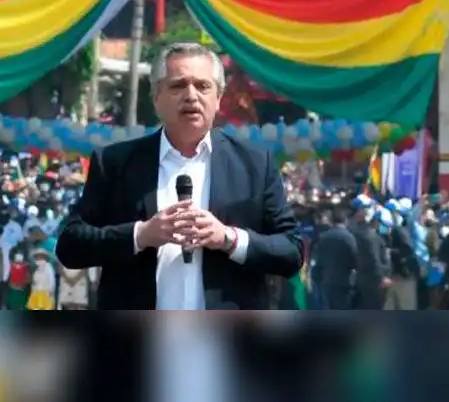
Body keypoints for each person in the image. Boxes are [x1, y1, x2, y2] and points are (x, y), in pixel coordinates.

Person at [56, 42, 302, 310]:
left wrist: (228, 239)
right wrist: (141, 235)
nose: (191, 96)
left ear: (218, 98)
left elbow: (291, 251)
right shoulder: (115, 163)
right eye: (178, 86)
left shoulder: (255, 164)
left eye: (203, 86)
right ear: (156, 96)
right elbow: (70, 245)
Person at [313, 208, 358, 310]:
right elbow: (355, 259)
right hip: (344, 282)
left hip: (327, 280)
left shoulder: (324, 237)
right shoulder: (349, 237)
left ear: (331, 221)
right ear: (345, 220)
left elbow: (318, 259)